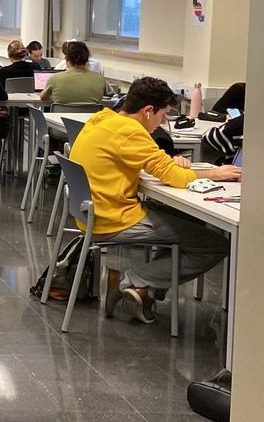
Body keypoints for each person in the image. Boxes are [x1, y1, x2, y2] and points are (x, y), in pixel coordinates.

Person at [70, 77, 239, 323]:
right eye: (163, 116)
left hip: (91, 213)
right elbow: (173, 177)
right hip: (114, 219)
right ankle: (133, 281)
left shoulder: (103, 118)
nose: (163, 123)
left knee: (184, 220)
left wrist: (173, 164)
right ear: (148, 111)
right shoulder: (132, 132)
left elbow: (153, 163)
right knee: (216, 244)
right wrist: (215, 173)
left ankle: (143, 289)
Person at [40, 40, 105, 106]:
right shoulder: (100, 79)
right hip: (90, 116)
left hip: (61, 115)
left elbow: (43, 97)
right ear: (87, 60)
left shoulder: (55, 78)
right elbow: (112, 94)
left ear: (67, 60)